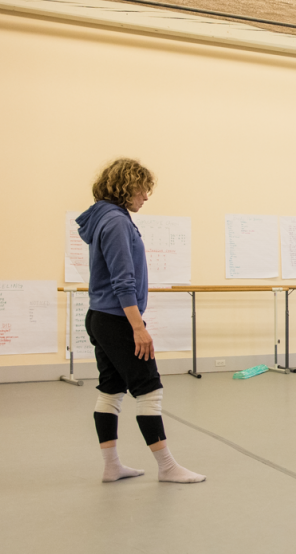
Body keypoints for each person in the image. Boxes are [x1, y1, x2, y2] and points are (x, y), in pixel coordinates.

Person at [77, 158, 205, 483]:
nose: (146, 196)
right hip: (117, 319)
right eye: (141, 189)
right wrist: (138, 328)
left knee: (111, 389)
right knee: (149, 389)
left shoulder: (102, 216)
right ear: (124, 187)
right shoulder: (116, 221)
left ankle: (112, 466)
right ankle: (167, 467)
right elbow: (123, 281)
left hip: (101, 317)